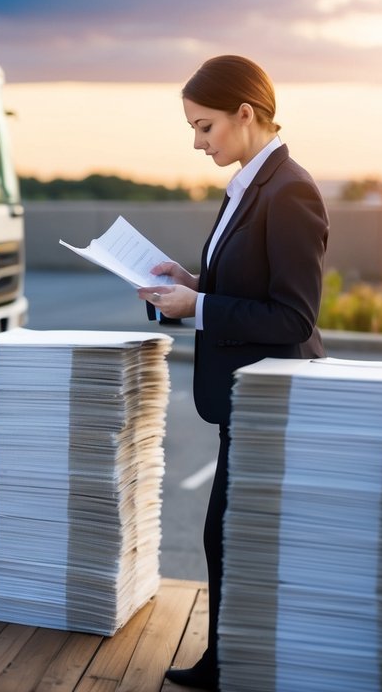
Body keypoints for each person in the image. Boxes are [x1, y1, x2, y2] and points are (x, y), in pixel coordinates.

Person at [137, 55, 329, 691]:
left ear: (245, 114)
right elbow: (245, 286)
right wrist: (191, 286)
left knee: (231, 534)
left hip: (271, 400)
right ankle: (229, 660)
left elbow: (294, 318)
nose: (197, 142)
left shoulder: (289, 190)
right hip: (246, 398)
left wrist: (202, 306)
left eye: (204, 126)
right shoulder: (251, 185)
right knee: (229, 534)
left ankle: (231, 663)